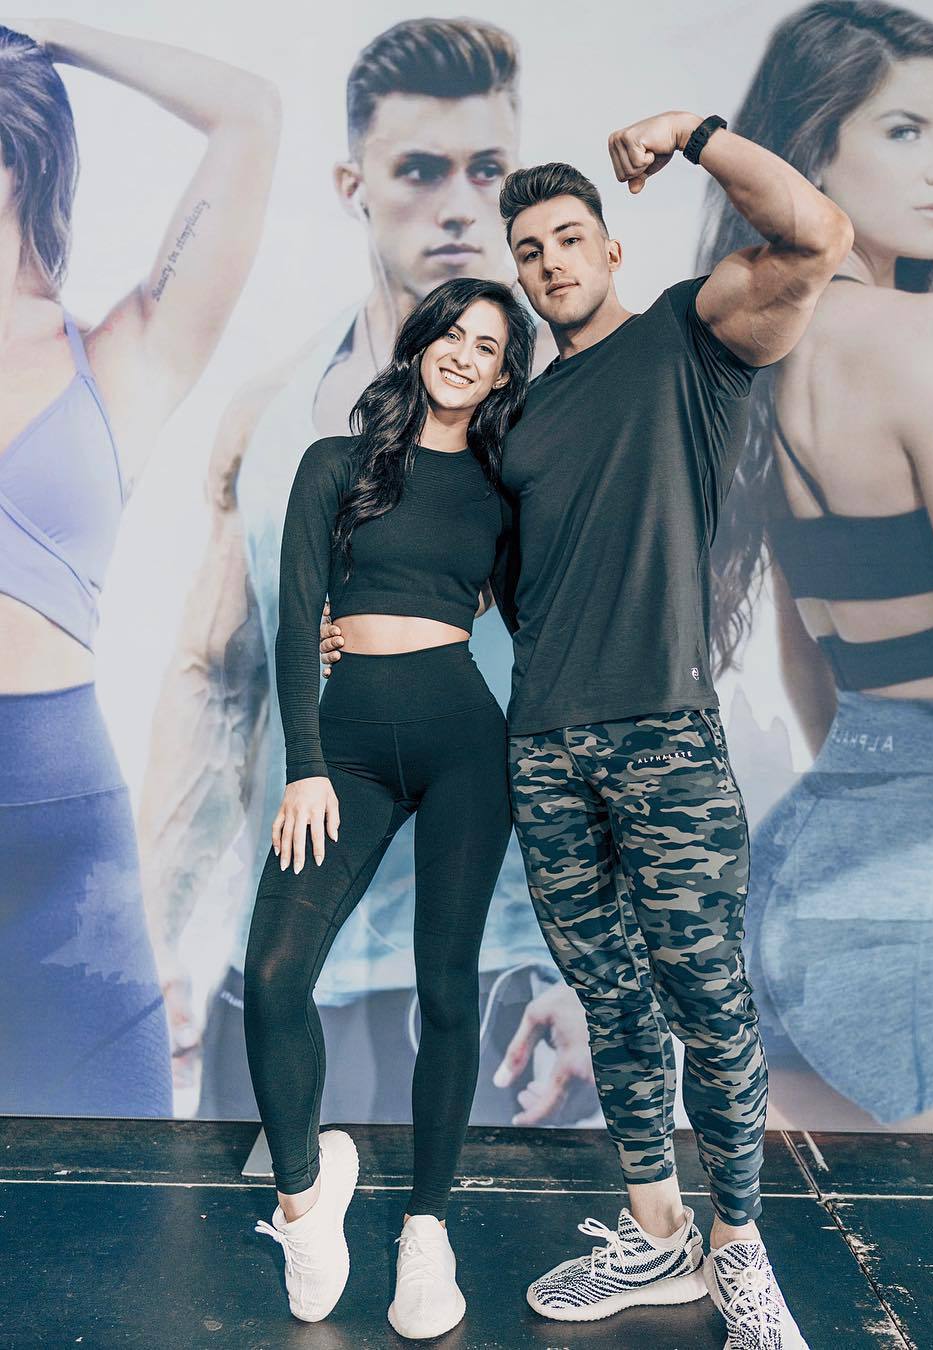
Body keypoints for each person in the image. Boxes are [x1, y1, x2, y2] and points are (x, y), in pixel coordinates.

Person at [323, 108, 851, 1345]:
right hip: (542, 749)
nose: (551, 261)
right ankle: (659, 1237)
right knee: (609, 1002)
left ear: (611, 249)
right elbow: (464, 553)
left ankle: (738, 1250)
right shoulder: (517, 419)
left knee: (707, 1000)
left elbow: (818, 235)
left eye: (570, 238)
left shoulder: (687, 338)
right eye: (530, 249)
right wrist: (364, 622)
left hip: (664, 734)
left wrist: (698, 135)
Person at [138, 15, 590, 1128]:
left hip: (502, 963)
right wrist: (154, 932)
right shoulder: (273, 415)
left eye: (486, 170)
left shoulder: (557, 422)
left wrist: (595, 961)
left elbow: (602, 677)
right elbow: (218, 680)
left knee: (464, 1229)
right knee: (264, 1228)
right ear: (355, 185)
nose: (459, 205)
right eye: (420, 169)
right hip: (306, 936)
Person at [699, 0, 933, 1133]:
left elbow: (806, 663)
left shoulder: (756, 357)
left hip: (802, 883)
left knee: (837, 1247)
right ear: (810, 151)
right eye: (904, 131)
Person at [246, 276, 535, 1340]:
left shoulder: (501, 491)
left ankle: (426, 1231)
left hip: (466, 747)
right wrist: (305, 765)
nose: (464, 354)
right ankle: (305, 1200)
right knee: (275, 975)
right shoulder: (337, 464)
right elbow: (296, 624)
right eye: (451, 333)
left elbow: (536, 616)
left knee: (445, 988)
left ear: (503, 376)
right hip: (348, 754)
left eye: (487, 346)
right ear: (419, 344)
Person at [0, 20, 278, 1116]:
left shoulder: (120, 355)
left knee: (111, 1193)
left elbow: (249, 112)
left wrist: (50, 36)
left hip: (67, 862)